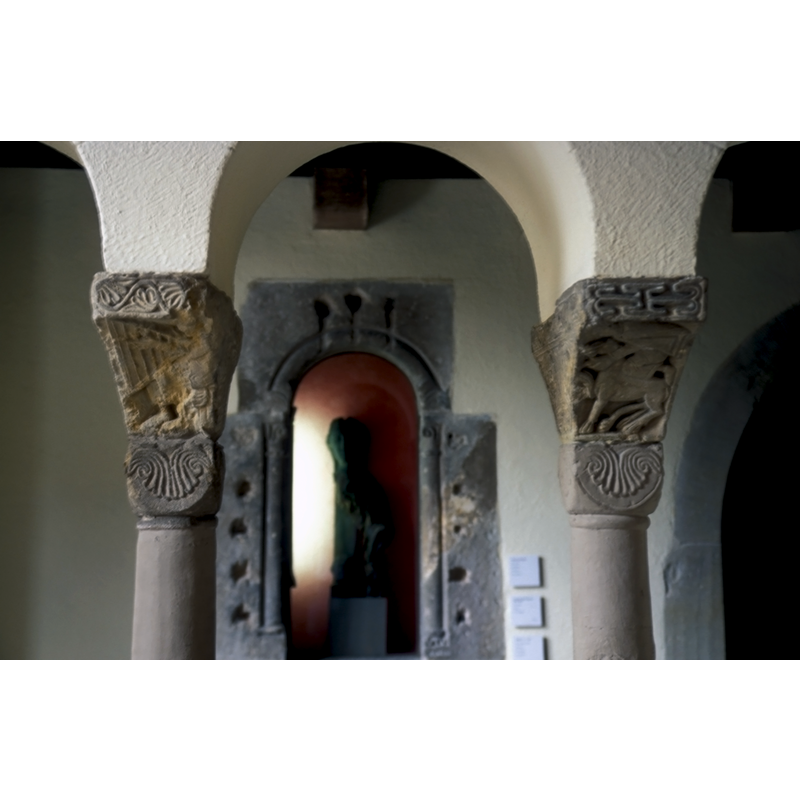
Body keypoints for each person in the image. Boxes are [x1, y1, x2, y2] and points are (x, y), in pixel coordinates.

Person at [326, 417, 394, 598]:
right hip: (345, 570)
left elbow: (381, 526)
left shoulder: (367, 487)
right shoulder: (342, 481)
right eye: (338, 440)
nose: (343, 447)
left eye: (349, 441)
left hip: (365, 571)